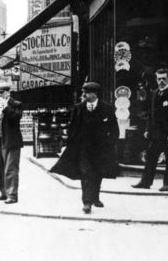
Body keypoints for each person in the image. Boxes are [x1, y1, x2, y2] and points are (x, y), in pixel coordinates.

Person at [51, 82, 119, 213]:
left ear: (94, 94)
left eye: (86, 92)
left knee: (97, 173)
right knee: (86, 174)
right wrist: (71, 144)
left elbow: (114, 129)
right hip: (83, 148)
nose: (83, 95)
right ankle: (87, 202)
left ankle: (95, 198)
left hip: (100, 148)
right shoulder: (79, 108)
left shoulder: (107, 108)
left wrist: (110, 144)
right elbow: (73, 127)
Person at [132, 68, 168, 191]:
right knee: (150, 157)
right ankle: (146, 182)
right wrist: (147, 129)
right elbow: (151, 113)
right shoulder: (154, 93)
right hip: (156, 133)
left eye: (164, 78)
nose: (161, 81)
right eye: (159, 79)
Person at [0, 82, 23, 204]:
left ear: (8, 92)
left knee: (10, 168)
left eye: (2, 93)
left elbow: (16, 117)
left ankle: (12, 195)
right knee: (0, 167)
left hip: (11, 140)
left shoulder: (16, 104)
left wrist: (6, 107)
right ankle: (3, 192)